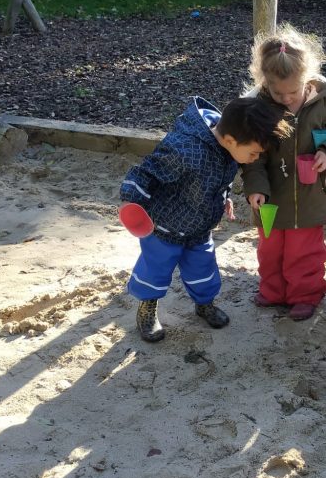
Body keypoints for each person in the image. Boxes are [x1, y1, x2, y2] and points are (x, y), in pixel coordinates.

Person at [120, 95, 290, 342]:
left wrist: (224, 197)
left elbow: (218, 178)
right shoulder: (185, 150)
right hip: (164, 226)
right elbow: (146, 172)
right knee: (155, 269)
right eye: (254, 153)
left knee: (203, 269)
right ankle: (147, 308)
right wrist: (131, 201)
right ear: (231, 140)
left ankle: (204, 304)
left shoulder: (229, 147)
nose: (255, 159)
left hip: (200, 227)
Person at [242, 24, 326, 320]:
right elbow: (251, 156)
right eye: (277, 92)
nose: (285, 98)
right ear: (264, 82)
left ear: (307, 79)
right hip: (270, 197)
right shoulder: (258, 107)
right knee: (270, 250)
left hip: (311, 196)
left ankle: (305, 295)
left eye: (292, 91)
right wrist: (255, 187)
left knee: (303, 251)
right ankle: (273, 291)